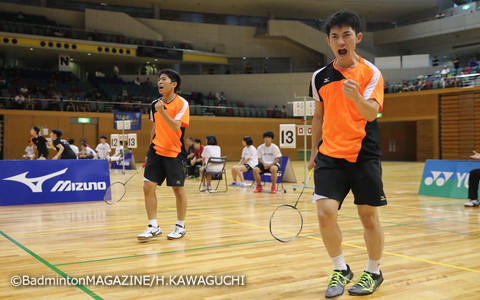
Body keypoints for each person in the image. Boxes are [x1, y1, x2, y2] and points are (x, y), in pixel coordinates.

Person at [307, 11, 387, 297]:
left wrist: (356, 97)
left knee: (368, 218)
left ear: (357, 38)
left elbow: (372, 112)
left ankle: (374, 272)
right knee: (325, 213)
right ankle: (340, 268)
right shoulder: (320, 77)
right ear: (328, 41)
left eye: (346, 35)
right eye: (335, 37)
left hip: (363, 153)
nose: (341, 41)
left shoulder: (371, 73)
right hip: (329, 155)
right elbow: (318, 116)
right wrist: (315, 151)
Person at [138, 69, 190, 241]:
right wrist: (148, 149)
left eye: (163, 79)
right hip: (156, 150)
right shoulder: (155, 104)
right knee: (148, 187)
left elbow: (176, 126)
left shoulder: (182, 104)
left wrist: (163, 111)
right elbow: (154, 127)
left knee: (178, 189)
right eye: (158, 79)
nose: (159, 82)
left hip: (174, 152)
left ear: (173, 84)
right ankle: (153, 226)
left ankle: (180, 226)